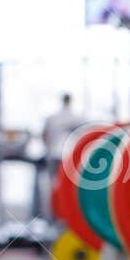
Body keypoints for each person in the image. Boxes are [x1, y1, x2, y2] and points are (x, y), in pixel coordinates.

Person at [37, 93, 82, 221]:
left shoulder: (52, 118)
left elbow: (44, 135)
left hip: (54, 154)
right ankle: (66, 217)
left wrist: (48, 149)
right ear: (70, 101)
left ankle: (52, 217)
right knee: (69, 188)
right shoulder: (76, 118)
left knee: (54, 185)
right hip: (69, 156)